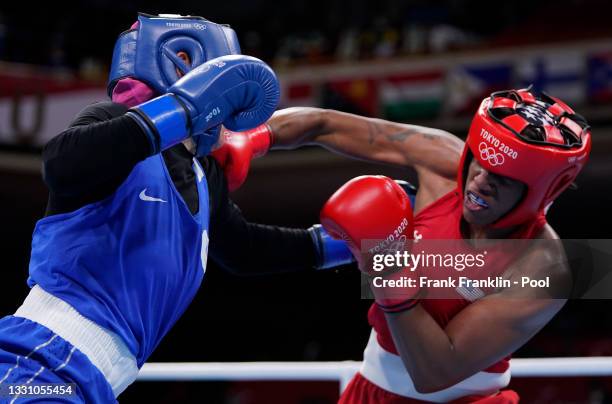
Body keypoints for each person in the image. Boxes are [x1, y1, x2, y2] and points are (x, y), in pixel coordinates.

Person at [0, 14, 352, 403]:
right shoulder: (113, 123)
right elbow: (61, 163)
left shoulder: (204, 175)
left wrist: (353, 245)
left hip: (94, 382)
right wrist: (186, 109)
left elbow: (244, 250)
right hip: (40, 359)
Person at [215, 88, 591, 403]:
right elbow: (323, 123)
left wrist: (386, 268)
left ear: (542, 192)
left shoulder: (547, 269)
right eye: (479, 162)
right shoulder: (443, 161)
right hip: (371, 389)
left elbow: (434, 371)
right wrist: (251, 139)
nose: (479, 182)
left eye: (503, 180)